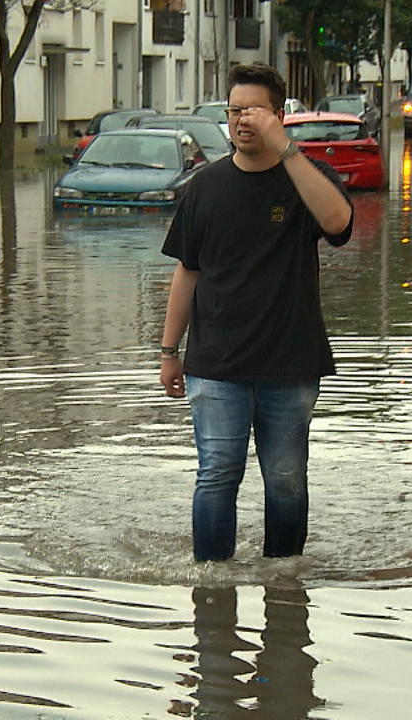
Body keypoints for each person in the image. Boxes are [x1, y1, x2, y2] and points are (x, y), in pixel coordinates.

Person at [159, 63, 353, 561]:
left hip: (289, 363)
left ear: (279, 114)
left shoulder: (305, 179)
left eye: (253, 110)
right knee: (217, 473)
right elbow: (188, 270)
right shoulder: (205, 187)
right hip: (216, 364)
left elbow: (338, 222)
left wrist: (286, 151)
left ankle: (284, 579)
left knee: (286, 480)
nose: (242, 120)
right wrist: (167, 351)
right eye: (234, 110)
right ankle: (212, 583)